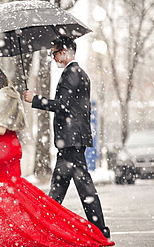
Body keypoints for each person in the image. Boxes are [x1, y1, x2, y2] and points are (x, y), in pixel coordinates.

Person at [0, 65, 114, 247]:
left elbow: (0, 129)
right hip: (14, 147)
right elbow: (18, 124)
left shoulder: (1, 97)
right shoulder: (12, 94)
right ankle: (47, 226)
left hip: (3, 149)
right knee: (27, 192)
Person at [23, 36, 111, 239]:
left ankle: (100, 230)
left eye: (54, 53)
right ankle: (45, 227)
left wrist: (35, 99)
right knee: (58, 188)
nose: (53, 58)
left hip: (71, 141)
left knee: (83, 187)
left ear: (64, 51)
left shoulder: (72, 74)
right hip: (71, 141)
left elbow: (61, 105)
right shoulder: (77, 73)